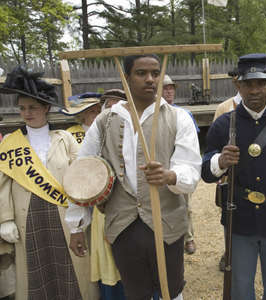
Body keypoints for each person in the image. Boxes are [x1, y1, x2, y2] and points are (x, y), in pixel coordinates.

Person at [68, 54, 202, 300]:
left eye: (155, 73)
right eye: (141, 73)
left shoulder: (178, 117)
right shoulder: (105, 121)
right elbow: (82, 173)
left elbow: (192, 169)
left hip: (167, 222)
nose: (150, 79)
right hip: (123, 223)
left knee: (171, 291)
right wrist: (77, 225)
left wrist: (170, 175)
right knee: (135, 292)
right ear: (127, 77)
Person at [202, 54, 266, 300]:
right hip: (240, 222)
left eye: (261, 83)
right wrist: (220, 162)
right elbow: (205, 172)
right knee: (240, 289)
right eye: (248, 84)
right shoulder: (223, 126)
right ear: (238, 86)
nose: (255, 90)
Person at [0, 65, 98, 300]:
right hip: (29, 218)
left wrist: (81, 217)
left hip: (64, 216)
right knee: (35, 272)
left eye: (33, 107)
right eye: (22, 108)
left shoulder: (65, 139)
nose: (27, 113)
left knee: (70, 269)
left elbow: (81, 177)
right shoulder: (11, 143)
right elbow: (2, 185)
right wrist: (6, 219)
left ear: (46, 108)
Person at [62, 93, 126, 300]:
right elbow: (79, 176)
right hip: (102, 212)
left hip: (136, 212)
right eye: (109, 107)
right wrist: (76, 226)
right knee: (109, 262)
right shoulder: (86, 135)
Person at [162, 74, 199, 255]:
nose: (169, 91)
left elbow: (191, 144)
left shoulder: (184, 114)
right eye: (165, 88)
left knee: (184, 204)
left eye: (171, 88)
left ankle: (188, 237)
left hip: (179, 168)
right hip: (160, 169)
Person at [212, 68, 242, 272]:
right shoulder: (224, 108)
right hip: (230, 173)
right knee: (229, 214)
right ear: (235, 82)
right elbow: (214, 145)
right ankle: (229, 250)